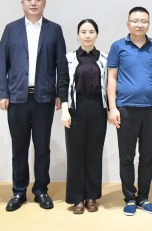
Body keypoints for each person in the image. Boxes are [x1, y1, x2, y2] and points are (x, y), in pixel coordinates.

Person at [0, 0, 66, 211]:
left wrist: (60, 94)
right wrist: (1, 93)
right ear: (22, 3)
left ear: (44, 3)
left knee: (42, 147)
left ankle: (41, 190)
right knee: (19, 147)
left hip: (44, 98)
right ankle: (18, 191)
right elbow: (1, 63)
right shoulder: (11, 29)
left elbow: (61, 65)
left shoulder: (54, 29)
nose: (33, 3)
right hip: (17, 97)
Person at [107, 6, 152, 216]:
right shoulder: (118, 46)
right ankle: (130, 198)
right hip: (125, 109)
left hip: (151, 110)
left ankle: (144, 198)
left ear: (148, 24)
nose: (139, 24)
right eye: (135, 21)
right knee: (127, 157)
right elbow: (111, 78)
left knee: (147, 157)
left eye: (143, 21)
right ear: (128, 23)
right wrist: (112, 108)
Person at [59, 19, 108, 214]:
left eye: (91, 31)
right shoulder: (69, 58)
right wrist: (65, 110)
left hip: (97, 108)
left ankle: (92, 196)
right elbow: (63, 84)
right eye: (83, 32)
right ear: (78, 35)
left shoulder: (104, 58)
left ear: (97, 34)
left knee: (94, 154)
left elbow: (110, 85)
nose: (87, 35)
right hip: (75, 109)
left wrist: (110, 109)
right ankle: (77, 197)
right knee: (75, 154)